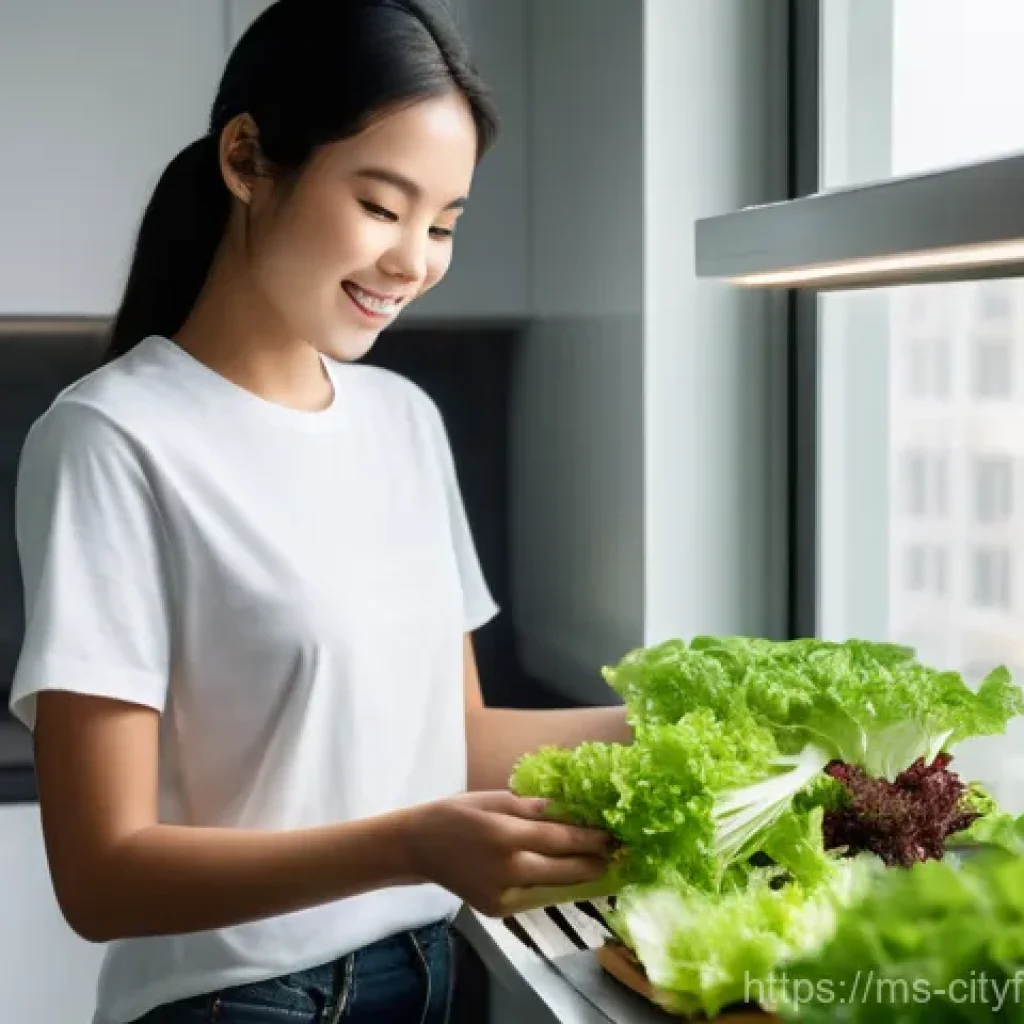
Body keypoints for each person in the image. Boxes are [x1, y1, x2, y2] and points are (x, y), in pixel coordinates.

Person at [8, 1, 633, 1022]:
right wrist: (406, 844)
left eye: (442, 225)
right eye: (383, 208)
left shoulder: (403, 420)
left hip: (431, 974)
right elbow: (101, 875)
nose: (413, 262)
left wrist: (700, 725)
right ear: (248, 158)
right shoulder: (114, 438)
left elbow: (453, 736)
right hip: (240, 1004)